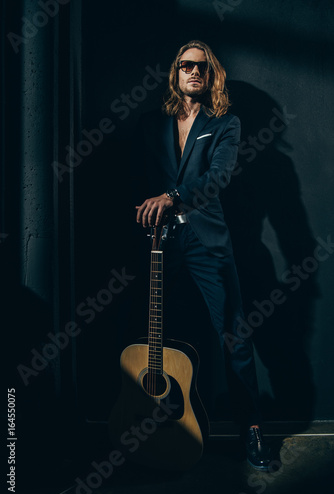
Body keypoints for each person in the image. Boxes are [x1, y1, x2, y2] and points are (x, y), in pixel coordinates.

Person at [135, 40, 273, 470]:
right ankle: (150, 426)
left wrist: (172, 196)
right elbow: (136, 175)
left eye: (202, 66)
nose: (194, 71)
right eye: (185, 65)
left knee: (233, 335)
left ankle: (251, 431)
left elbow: (218, 177)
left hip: (207, 243)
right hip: (159, 244)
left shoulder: (225, 123)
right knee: (148, 336)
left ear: (211, 75)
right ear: (175, 72)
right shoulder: (152, 124)